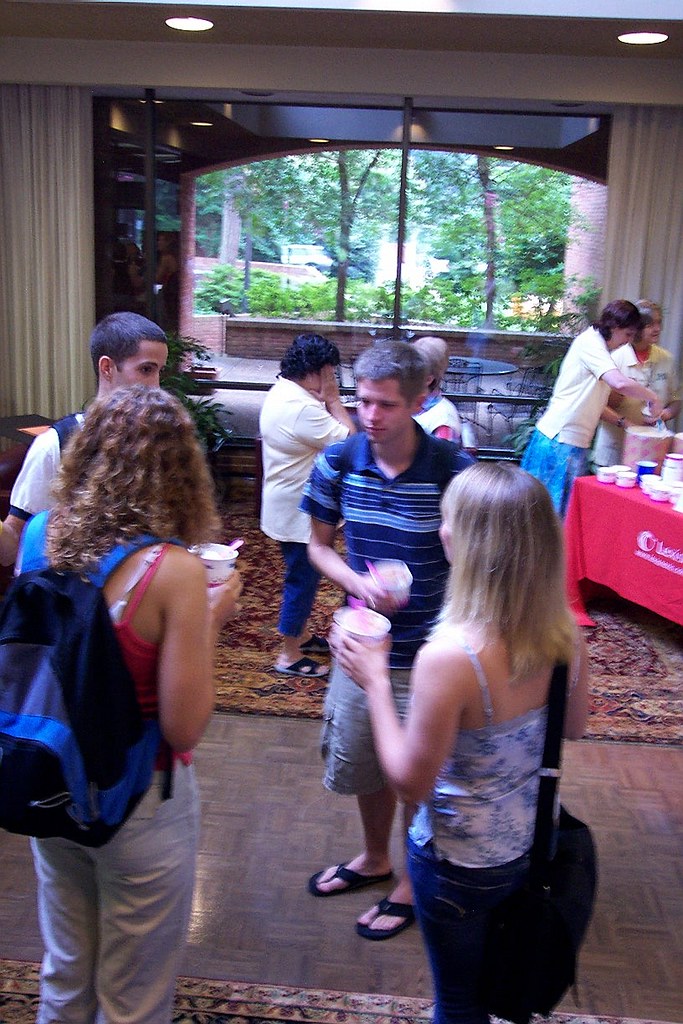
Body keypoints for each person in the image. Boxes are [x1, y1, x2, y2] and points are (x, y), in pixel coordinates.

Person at [332, 462, 589, 1023]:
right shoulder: (564, 630)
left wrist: (376, 681)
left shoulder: (451, 656)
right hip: (526, 843)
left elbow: (410, 782)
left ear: (462, 542)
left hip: (456, 861)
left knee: (458, 1003)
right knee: (498, 985)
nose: (440, 530)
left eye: (447, 521)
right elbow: (573, 727)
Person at [18, 385, 243, 1024]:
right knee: (133, 995)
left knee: (66, 968)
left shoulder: (39, 537)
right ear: (179, 470)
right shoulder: (171, 572)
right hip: (136, 796)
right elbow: (183, 724)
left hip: (53, 777)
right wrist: (211, 619)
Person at [301, 339, 474, 940]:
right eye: (362, 401)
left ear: (422, 399)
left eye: (387, 406)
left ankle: (409, 878)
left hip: (430, 657)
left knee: (416, 776)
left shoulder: (456, 472)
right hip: (362, 648)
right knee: (368, 766)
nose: (370, 417)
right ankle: (376, 857)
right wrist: (358, 585)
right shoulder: (339, 462)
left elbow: (476, 564)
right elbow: (319, 546)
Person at [0, 311, 168, 568]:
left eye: (159, 371)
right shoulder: (57, 444)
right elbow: (11, 547)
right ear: (107, 367)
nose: (156, 386)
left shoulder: (156, 442)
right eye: (146, 369)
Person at [260, 333, 356, 677]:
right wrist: (333, 399)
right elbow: (352, 443)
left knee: (303, 576)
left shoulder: (286, 392)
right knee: (301, 579)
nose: (333, 381)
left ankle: (299, 635)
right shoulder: (301, 408)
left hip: (287, 504)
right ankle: (288, 655)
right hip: (297, 512)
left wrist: (323, 395)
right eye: (331, 373)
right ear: (315, 372)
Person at [521, 299, 663, 515]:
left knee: (558, 517)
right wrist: (652, 397)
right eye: (626, 335)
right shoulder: (591, 343)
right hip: (560, 440)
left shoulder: (599, 348)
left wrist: (625, 423)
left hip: (570, 441)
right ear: (614, 327)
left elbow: (593, 402)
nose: (626, 342)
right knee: (546, 516)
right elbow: (620, 383)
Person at [592, 299, 680, 467]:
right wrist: (627, 424)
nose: (657, 329)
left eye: (659, 323)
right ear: (636, 327)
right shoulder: (614, 358)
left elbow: (676, 399)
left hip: (651, 451)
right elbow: (599, 406)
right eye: (650, 324)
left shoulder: (667, 359)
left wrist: (665, 414)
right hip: (615, 450)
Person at [412, 335, 463, 443]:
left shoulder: (443, 420)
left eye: (410, 372)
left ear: (428, 379)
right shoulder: (410, 404)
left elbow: (443, 458)